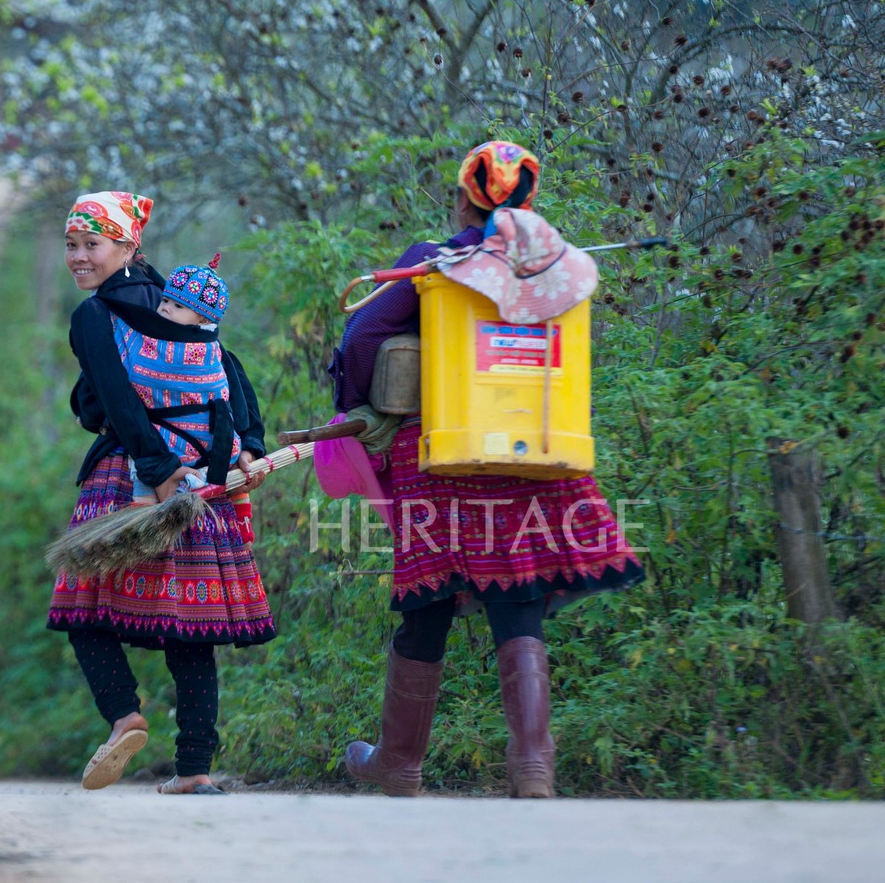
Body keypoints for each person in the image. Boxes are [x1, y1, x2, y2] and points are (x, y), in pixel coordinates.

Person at [332, 141, 642, 797]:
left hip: (442, 451)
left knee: (429, 597)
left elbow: (361, 339)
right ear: (528, 197)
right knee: (517, 591)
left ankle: (398, 764)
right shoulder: (561, 266)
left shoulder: (434, 262)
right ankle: (533, 766)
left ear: (464, 196)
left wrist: (354, 406)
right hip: (536, 445)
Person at [47, 192, 275, 795]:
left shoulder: (95, 315)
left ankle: (125, 715)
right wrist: (249, 441)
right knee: (189, 627)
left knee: (83, 605)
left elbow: (113, 398)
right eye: (71, 244)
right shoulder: (172, 297)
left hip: (131, 474)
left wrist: (153, 460)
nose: (77, 256)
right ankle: (195, 768)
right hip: (204, 479)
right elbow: (228, 366)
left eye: (91, 244)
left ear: (127, 246)